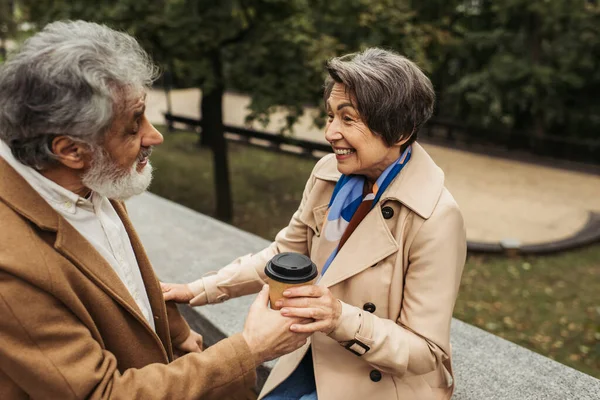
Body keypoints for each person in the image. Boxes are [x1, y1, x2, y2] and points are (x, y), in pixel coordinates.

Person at [0, 20, 310, 399]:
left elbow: (110, 278)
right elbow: (102, 393)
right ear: (70, 150)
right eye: (133, 126)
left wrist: (174, 331)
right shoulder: (9, 265)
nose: (155, 136)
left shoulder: (86, 176)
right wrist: (250, 349)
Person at [162, 48, 467, 400]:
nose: (330, 133)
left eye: (348, 119)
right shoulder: (328, 176)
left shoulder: (437, 217)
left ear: (400, 131)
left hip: (382, 385)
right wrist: (198, 289)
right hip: (313, 357)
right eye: (329, 116)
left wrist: (338, 317)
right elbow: (284, 256)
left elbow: (426, 351)